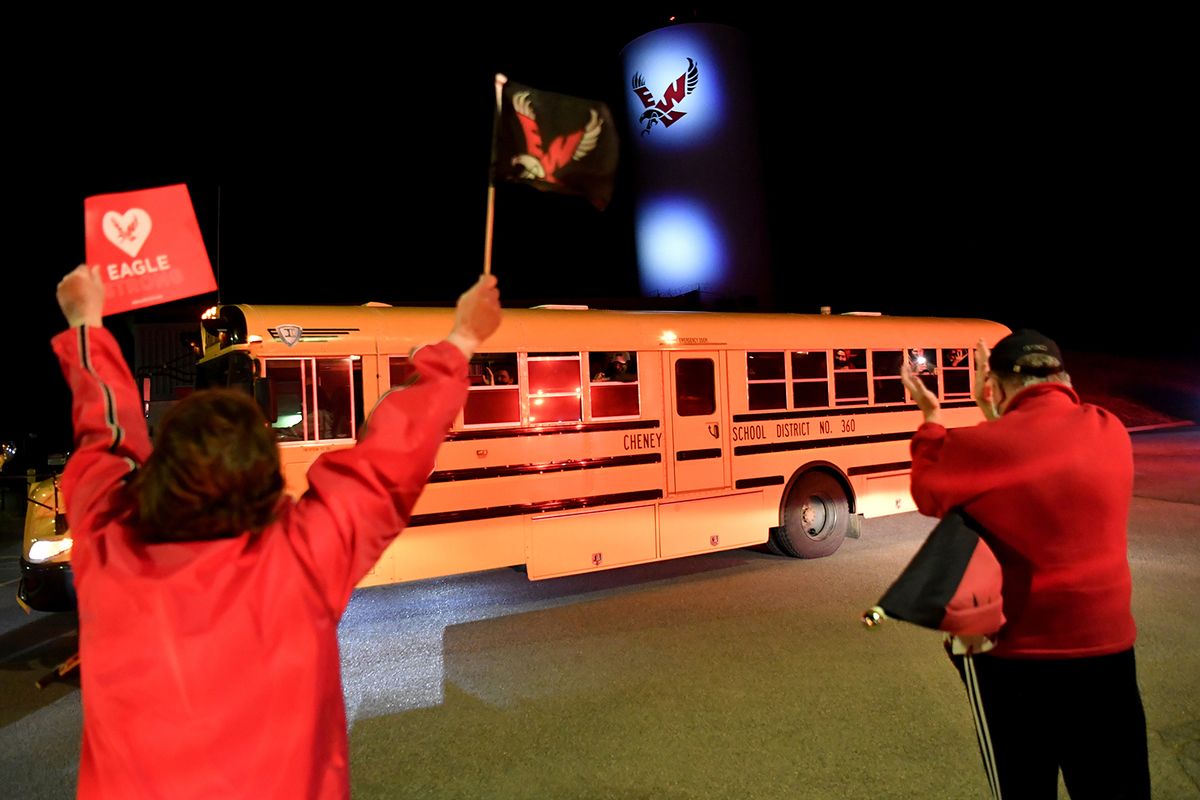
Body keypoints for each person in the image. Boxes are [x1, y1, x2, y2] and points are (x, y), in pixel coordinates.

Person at [53, 265, 501, 799]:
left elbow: (106, 435)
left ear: (161, 470)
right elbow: (389, 460)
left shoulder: (108, 546)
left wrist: (86, 323)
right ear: (266, 479)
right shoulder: (299, 562)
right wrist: (463, 340)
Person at [900, 330, 1150, 800]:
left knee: (1025, 787)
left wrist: (931, 418)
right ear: (1065, 378)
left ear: (991, 386)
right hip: (1107, 655)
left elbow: (928, 492)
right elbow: (1033, 448)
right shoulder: (1110, 429)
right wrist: (996, 409)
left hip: (1016, 661)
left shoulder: (980, 447)